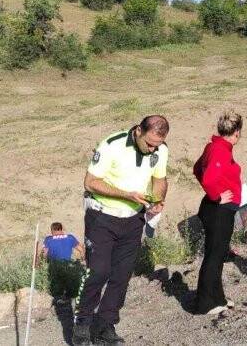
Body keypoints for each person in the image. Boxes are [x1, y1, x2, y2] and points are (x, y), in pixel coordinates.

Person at [73, 115, 170, 346]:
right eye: (149, 144)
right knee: (98, 271)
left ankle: (105, 325)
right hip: (102, 216)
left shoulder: (160, 149)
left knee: (122, 274)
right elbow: (90, 182)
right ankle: (82, 322)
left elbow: (160, 179)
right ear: (138, 131)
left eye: (156, 145)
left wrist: (158, 200)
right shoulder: (112, 145)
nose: (152, 149)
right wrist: (126, 195)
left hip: (133, 219)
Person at [192, 110, 244, 315]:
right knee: (214, 256)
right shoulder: (220, 150)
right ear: (237, 132)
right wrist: (217, 196)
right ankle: (205, 303)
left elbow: (197, 169)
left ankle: (217, 298)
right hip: (218, 210)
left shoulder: (215, 147)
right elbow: (208, 178)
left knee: (218, 254)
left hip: (218, 209)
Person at [39, 222, 85, 303]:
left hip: (54, 268)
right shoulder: (70, 237)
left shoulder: (48, 239)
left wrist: (41, 264)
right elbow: (81, 250)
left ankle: (57, 297)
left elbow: (44, 254)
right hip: (68, 266)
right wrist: (82, 260)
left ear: (52, 230)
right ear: (61, 229)